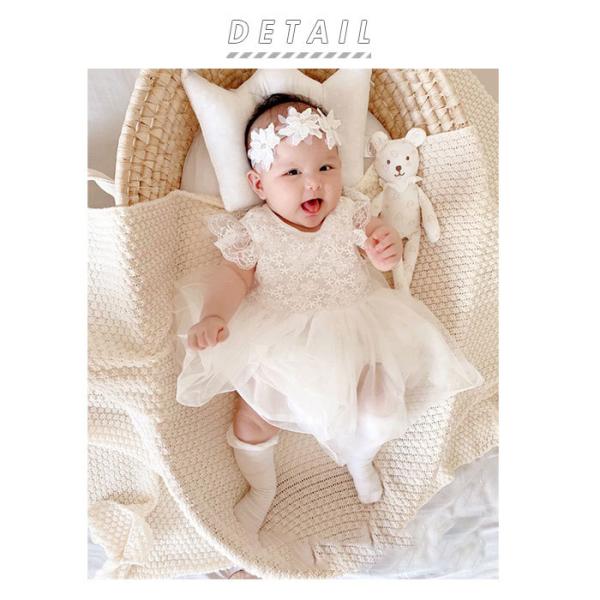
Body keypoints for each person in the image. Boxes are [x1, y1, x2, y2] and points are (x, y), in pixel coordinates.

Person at [175, 93, 483, 542]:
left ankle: (361, 455)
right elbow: (233, 277)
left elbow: (380, 242)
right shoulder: (255, 230)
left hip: (359, 333)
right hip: (281, 344)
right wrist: (214, 314)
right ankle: (262, 487)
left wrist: (384, 249)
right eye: (292, 173)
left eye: (325, 167)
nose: (313, 184)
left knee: (381, 402)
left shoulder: (351, 213)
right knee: (253, 417)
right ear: (259, 184)